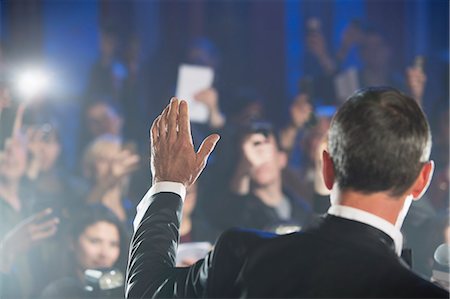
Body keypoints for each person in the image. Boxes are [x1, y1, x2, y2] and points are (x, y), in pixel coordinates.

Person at [126, 93, 448, 298]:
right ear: (422, 181)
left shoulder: (241, 255)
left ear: (327, 168)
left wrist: (169, 183)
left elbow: (146, 292)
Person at [42, 205, 129, 299]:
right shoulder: (57, 292)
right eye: (95, 241)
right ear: (71, 242)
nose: (104, 253)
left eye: (113, 244)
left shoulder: (127, 290)